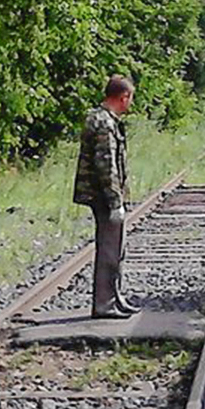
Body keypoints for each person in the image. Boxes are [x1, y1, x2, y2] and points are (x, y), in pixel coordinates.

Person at [73, 76, 137, 319]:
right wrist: (115, 202)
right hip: (103, 196)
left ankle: (114, 297)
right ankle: (104, 304)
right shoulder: (104, 123)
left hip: (101, 195)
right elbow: (106, 165)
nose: (129, 104)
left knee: (116, 248)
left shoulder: (103, 119)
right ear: (123, 97)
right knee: (110, 250)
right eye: (129, 99)